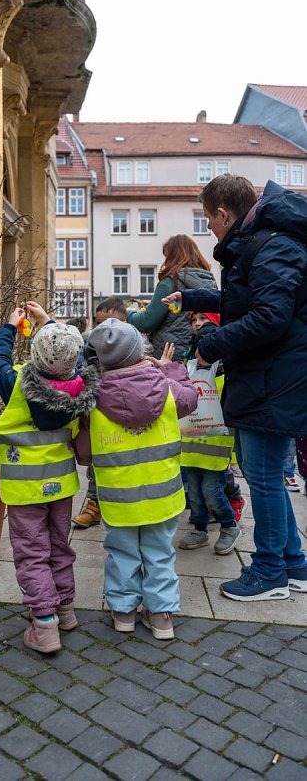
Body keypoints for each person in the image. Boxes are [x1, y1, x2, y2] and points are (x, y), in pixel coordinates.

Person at [164, 174, 307, 601]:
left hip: (274, 378)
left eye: (208, 219)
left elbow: (269, 317)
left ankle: (268, 573)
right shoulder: (261, 243)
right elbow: (247, 299)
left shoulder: (273, 245)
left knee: (262, 477)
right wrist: (191, 301)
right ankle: (294, 564)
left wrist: (210, 347)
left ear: (224, 214)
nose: (209, 228)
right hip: (266, 375)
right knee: (263, 474)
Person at [75, 320, 197, 639]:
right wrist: (170, 369)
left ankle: (124, 611)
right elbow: (191, 399)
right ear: (139, 351)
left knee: (122, 552)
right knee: (159, 553)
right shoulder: (166, 387)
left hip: (118, 497)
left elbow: (85, 455)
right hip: (164, 493)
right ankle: (161, 615)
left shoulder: (93, 401)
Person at [0, 301, 98, 654]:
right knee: (59, 546)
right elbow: (75, 358)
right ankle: (65, 610)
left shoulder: (19, 382)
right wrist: (49, 323)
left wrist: (9, 326)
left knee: (32, 553)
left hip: (24, 488)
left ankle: (45, 623)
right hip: (61, 485)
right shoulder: (80, 386)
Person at [178, 312, 240, 555]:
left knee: (211, 493)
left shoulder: (226, 373)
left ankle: (229, 526)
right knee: (194, 493)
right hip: (191, 446)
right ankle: (200, 529)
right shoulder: (188, 371)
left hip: (215, 447)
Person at [72, 296, 128, 529]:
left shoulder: (132, 351)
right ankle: (94, 504)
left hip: (125, 422)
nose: (104, 331)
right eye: (99, 323)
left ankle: (121, 502)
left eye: (111, 324)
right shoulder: (89, 350)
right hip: (100, 418)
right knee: (96, 461)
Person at [127, 235, 217, 361]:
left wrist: (128, 313)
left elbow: (146, 322)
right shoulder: (209, 281)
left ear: (173, 256)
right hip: (199, 352)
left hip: (170, 355)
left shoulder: (171, 281)